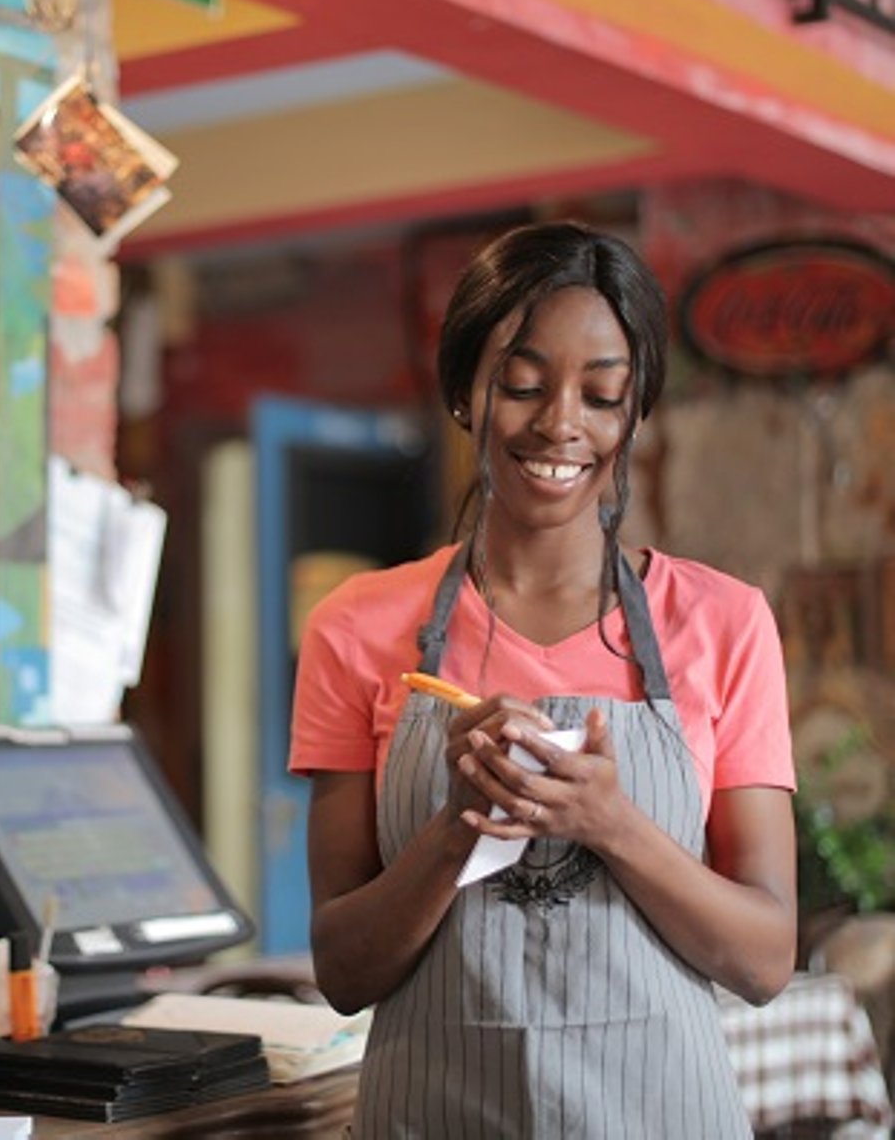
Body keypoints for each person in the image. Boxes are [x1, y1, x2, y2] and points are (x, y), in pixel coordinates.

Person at [289, 221, 796, 1138]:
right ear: (463, 394)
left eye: (603, 395)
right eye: (523, 385)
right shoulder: (359, 626)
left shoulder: (723, 622)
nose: (562, 423)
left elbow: (763, 961)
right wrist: (458, 828)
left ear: (635, 411)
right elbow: (343, 971)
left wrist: (610, 823)